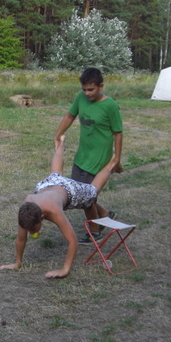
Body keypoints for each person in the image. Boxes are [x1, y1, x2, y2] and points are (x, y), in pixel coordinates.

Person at [0, 135, 115, 279]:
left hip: (69, 190)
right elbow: (21, 239)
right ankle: (60, 144)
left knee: (93, 191)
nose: (31, 232)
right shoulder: (26, 210)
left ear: (42, 217)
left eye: (33, 229)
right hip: (47, 185)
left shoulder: (53, 211)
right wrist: (17, 263)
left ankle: (113, 161)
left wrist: (64, 270)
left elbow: (72, 241)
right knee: (55, 174)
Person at [53, 67, 123, 244]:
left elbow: (118, 133)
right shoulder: (80, 98)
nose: (87, 93)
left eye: (91, 89)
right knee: (77, 193)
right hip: (82, 155)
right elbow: (70, 116)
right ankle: (104, 214)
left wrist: (117, 159)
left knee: (86, 195)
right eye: (84, 89)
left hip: (99, 157)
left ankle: (95, 231)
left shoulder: (110, 106)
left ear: (101, 86)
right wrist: (58, 135)